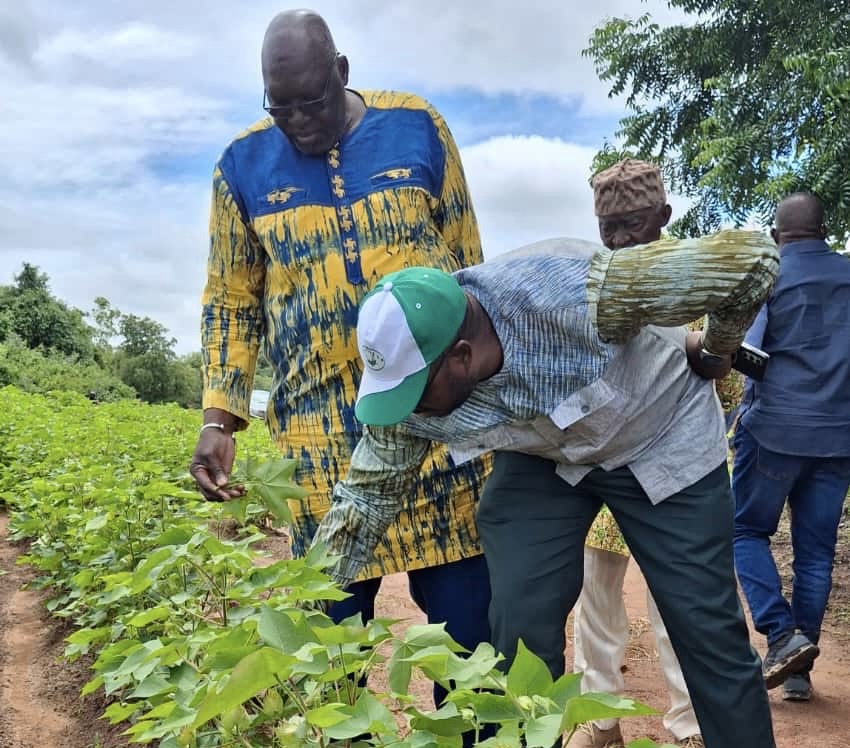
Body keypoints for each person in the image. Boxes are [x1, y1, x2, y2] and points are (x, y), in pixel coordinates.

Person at [312, 229, 780, 748]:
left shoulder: (580, 291)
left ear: (462, 356)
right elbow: (364, 500)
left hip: (660, 432)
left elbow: (750, 261)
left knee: (705, 628)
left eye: (413, 392)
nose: (405, 410)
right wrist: (301, 601)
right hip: (548, 456)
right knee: (517, 619)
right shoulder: (412, 398)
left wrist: (718, 351)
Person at [188, 8, 493, 725]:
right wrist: (217, 417)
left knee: (471, 647)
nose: (298, 120)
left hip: (437, 434)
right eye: (280, 105)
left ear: (343, 73)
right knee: (327, 653)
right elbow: (232, 300)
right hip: (320, 446)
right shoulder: (241, 167)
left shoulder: (418, 128)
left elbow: (471, 266)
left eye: (312, 101)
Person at [570, 159, 702, 747]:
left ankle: (689, 725)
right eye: (609, 227)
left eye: (633, 223)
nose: (620, 239)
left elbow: (721, 384)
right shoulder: (587, 282)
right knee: (594, 600)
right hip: (600, 469)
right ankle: (598, 720)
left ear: (664, 217)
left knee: (679, 602)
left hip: (672, 473)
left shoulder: (696, 281)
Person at [732, 192, 850, 702]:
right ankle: (800, 671)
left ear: (778, 235)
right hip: (839, 437)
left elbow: (748, 355)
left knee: (744, 530)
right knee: (816, 554)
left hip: (775, 432)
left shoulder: (771, 276)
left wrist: (748, 407)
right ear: (824, 230)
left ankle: (781, 635)